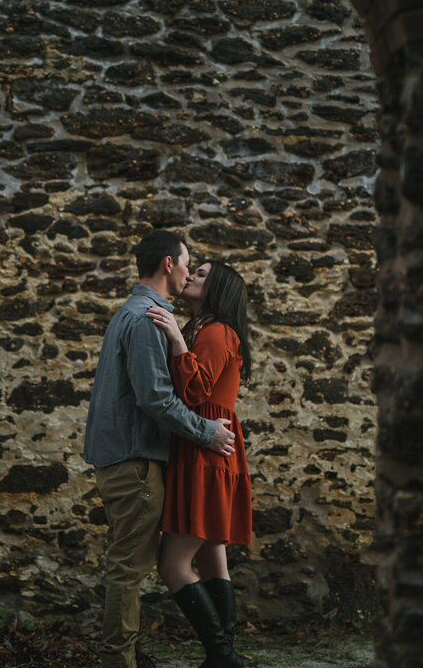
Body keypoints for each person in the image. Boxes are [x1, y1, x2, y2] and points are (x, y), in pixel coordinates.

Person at [84, 230, 238, 668]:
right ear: (168, 264)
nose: (190, 271)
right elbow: (156, 400)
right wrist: (207, 432)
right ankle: (120, 661)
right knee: (129, 568)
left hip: (126, 458)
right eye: (188, 262)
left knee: (133, 563)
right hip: (135, 461)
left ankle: (134, 653)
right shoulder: (148, 317)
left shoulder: (132, 313)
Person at [147, 260, 253, 668]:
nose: (190, 276)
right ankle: (223, 658)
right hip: (207, 448)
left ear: (219, 290)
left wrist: (175, 337)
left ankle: (223, 657)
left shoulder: (216, 331)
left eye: (203, 274)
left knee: (173, 563)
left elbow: (194, 390)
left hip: (206, 450)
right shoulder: (209, 329)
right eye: (194, 270)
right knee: (211, 557)